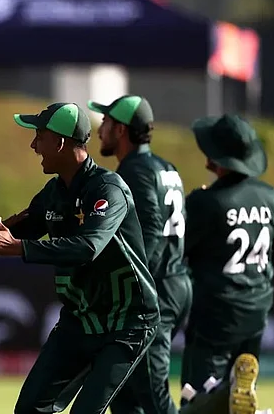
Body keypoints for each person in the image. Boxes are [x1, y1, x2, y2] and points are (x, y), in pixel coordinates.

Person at [0, 103, 160, 414]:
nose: (34, 145)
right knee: (30, 409)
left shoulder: (108, 188)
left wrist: (20, 248)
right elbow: (3, 234)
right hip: (80, 321)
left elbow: (88, 247)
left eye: (39, 136)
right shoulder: (53, 193)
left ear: (61, 142)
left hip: (127, 322)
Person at [90, 95, 190, 414]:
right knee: (123, 392)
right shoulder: (165, 167)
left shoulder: (135, 171)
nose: (99, 130)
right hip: (174, 280)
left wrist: (134, 285)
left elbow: (151, 229)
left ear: (120, 130)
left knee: (152, 393)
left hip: (155, 289)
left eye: (105, 122)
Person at [180, 115, 274, 414]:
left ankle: (217, 397)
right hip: (256, 311)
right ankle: (234, 393)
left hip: (215, 315)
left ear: (216, 158)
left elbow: (177, 251)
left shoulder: (206, 202)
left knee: (197, 400)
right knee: (238, 399)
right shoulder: (271, 198)